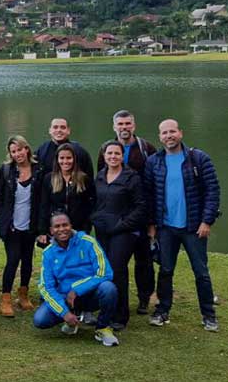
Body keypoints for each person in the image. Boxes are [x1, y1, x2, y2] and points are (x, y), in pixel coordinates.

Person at [145, 119, 221, 332]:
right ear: (159, 137)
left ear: (181, 133)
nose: (169, 136)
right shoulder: (154, 162)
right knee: (166, 270)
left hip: (194, 227)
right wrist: (152, 225)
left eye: (172, 131)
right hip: (166, 227)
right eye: (164, 133)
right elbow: (149, 196)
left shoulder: (198, 159)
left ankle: (208, 315)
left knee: (201, 272)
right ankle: (162, 311)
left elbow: (212, 191)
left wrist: (207, 220)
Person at [96, 109, 158, 315]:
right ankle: (113, 300)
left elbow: (154, 183)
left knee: (144, 260)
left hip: (139, 213)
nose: (124, 128)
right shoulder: (106, 148)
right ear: (114, 127)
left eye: (127, 124)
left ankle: (144, 297)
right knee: (116, 262)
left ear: (134, 125)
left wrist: (151, 220)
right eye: (120, 124)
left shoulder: (146, 148)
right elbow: (100, 182)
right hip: (115, 214)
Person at [34, 212, 119, 347]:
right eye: (57, 226)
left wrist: (76, 290)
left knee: (108, 288)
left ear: (71, 226)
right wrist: (64, 313)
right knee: (40, 320)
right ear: (51, 231)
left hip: (90, 294)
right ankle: (72, 318)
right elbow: (46, 287)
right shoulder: (48, 253)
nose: (62, 229)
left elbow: (105, 272)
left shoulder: (88, 241)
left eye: (65, 225)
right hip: (65, 298)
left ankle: (103, 328)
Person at [91, 140, 148, 330]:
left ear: (122, 156)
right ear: (104, 156)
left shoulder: (132, 178)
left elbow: (141, 207)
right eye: (109, 154)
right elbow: (94, 202)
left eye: (117, 153)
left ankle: (120, 315)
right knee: (104, 269)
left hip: (124, 231)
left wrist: (123, 224)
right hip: (103, 230)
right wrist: (95, 218)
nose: (113, 157)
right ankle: (106, 306)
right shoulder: (99, 176)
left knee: (117, 269)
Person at [0, 135, 43, 318]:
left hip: (30, 225)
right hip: (11, 226)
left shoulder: (39, 170)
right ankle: (6, 298)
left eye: (20, 149)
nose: (17, 154)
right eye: (13, 151)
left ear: (27, 149)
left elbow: (42, 199)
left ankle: (23, 294)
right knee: (13, 260)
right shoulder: (6, 170)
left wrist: (40, 227)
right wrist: (1, 219)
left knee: (28, 261)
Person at [40, 143, 93, 236]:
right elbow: (44, 205)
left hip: (78, 229)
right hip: (56, 228)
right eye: (62, 158)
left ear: (74, 159)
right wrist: (43, 231)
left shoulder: (84, 179)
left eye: (69, 158)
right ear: (57, 160)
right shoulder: (49, 179)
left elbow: (88, 205)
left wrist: (86, 228)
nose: (65, 161)